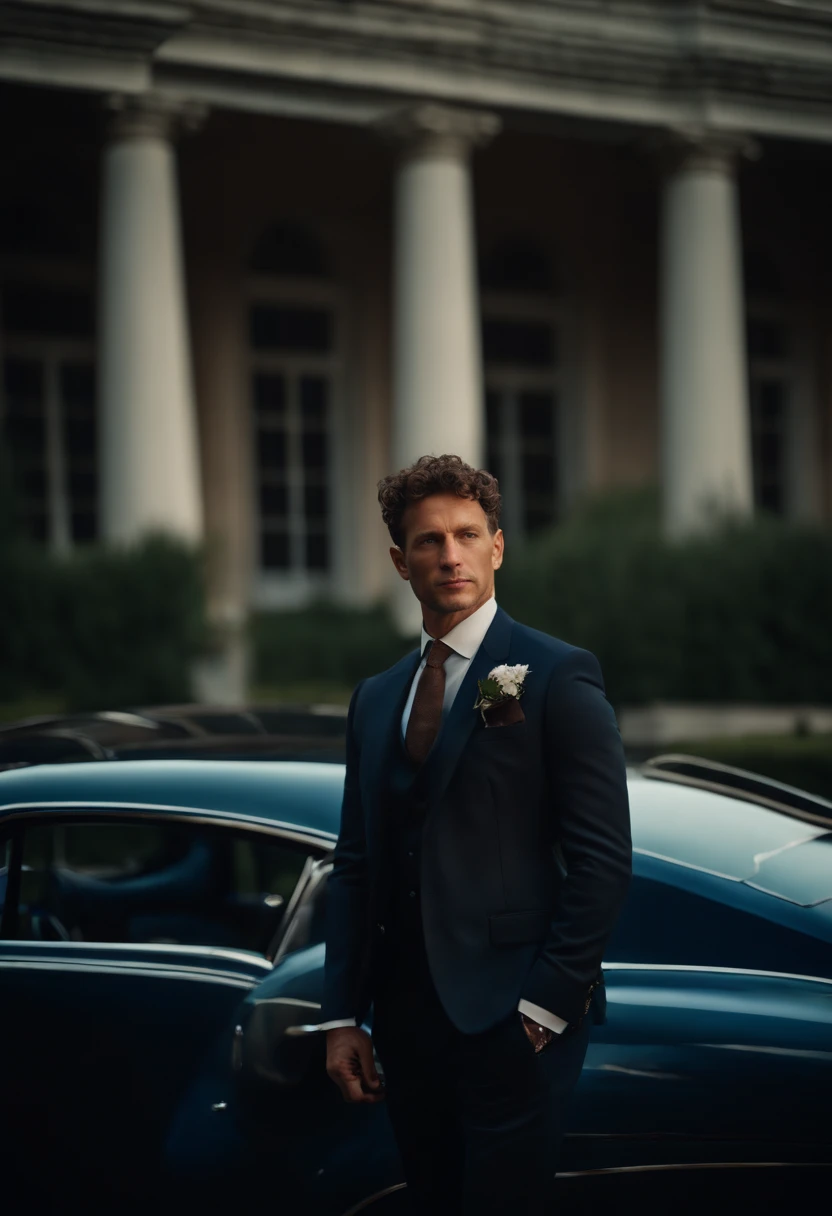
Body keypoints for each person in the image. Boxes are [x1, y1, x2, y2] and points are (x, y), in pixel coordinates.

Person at [320, 454, 631, 1214]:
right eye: (428, 541)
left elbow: (601, 859)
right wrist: (342, 1016)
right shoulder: (376, 698)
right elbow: (356, 864)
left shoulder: (555, 674)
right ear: (400, 561)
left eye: (466, 535)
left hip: (512, 1024)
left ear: (498, 546)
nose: (449, 555)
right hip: (404, 1024)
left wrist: (542, 1010)